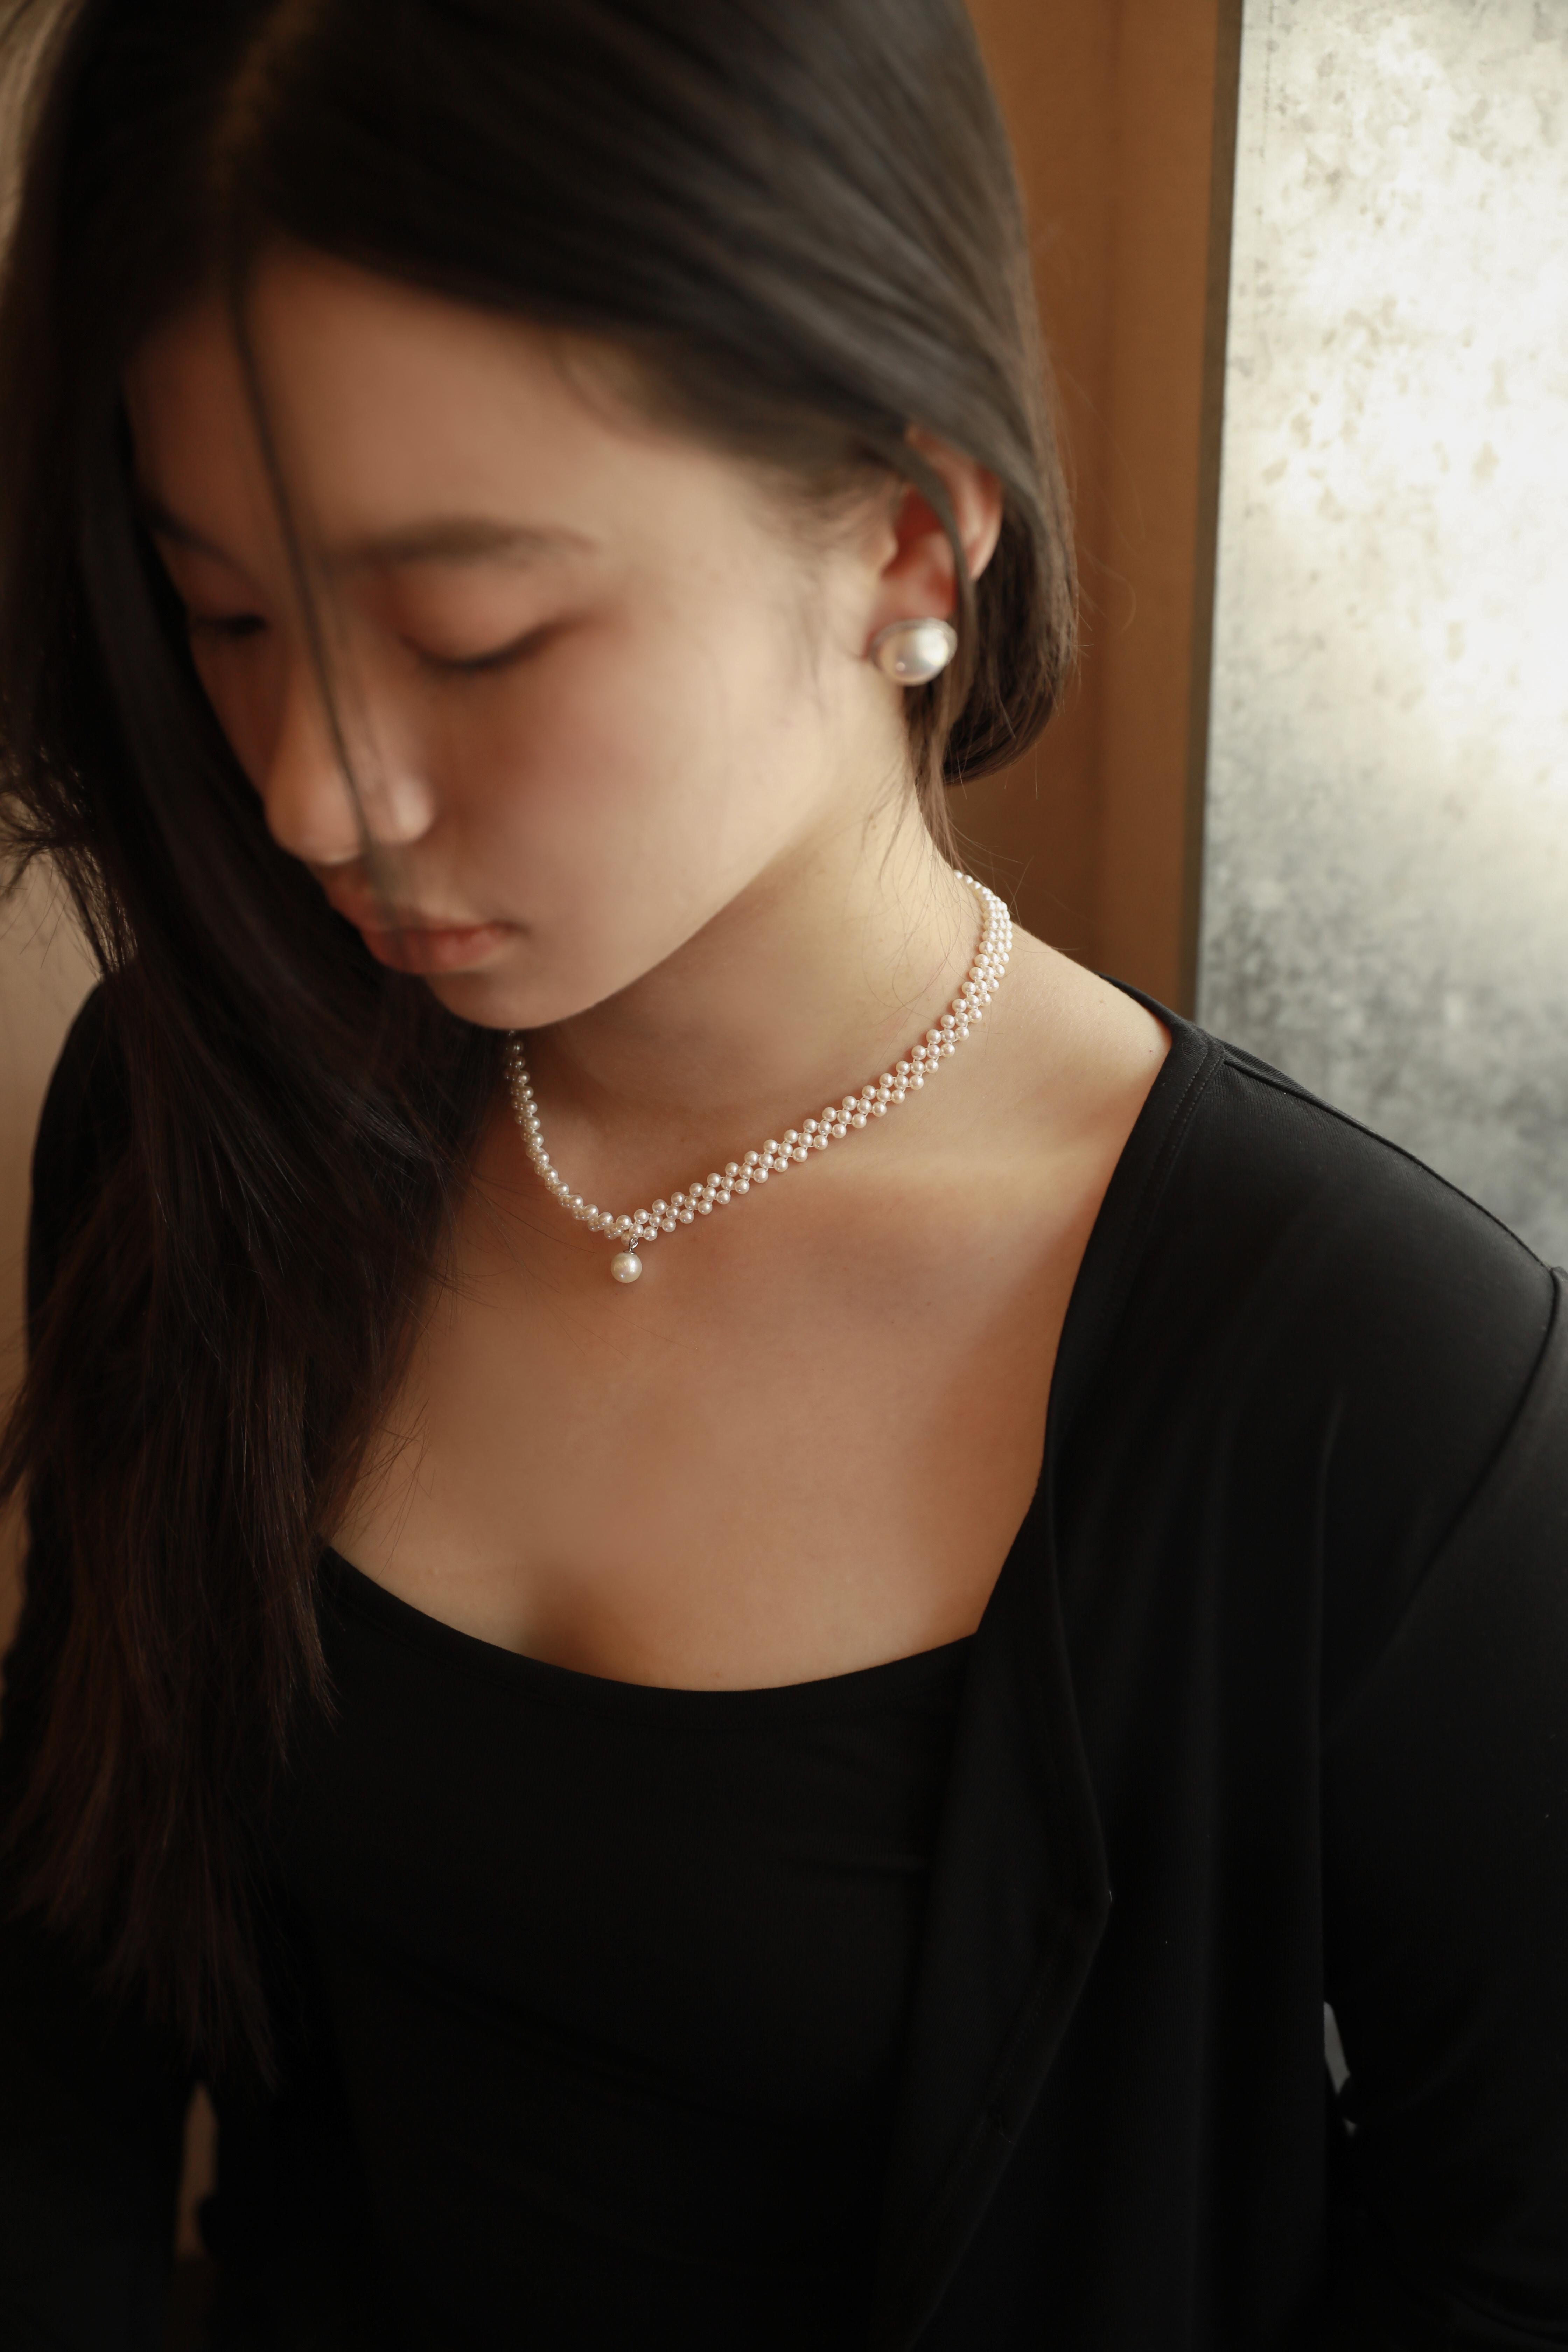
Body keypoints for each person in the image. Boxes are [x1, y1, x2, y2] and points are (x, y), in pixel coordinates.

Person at [1, 0, 1564, 2345]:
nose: (316, 792)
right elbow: (64, 2012)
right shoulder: (203, 1107)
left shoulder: (1373, 1382)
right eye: (225, 612)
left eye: (471, 634)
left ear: (909, 532)